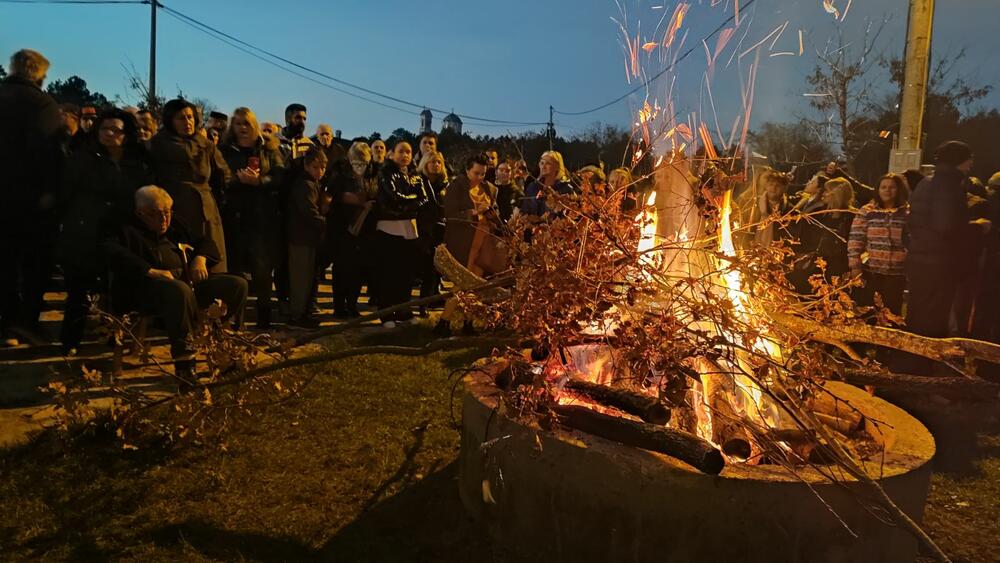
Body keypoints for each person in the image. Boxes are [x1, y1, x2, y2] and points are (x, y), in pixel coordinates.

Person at [103, 186, 247, 382]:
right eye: (156, 214)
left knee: (236, 284)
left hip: (185, 282)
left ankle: (220, 348)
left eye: (167, 213)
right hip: (145, 289)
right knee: (179, 291)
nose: (164, 219)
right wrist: (150, 271)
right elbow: (110, 251)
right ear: (140, 213)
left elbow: (204, 242)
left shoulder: (175, 225)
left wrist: (201, 258)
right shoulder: (124, 228)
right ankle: (185, 365)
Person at [58, 108, 152, 354]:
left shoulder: (136, 162)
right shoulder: (83, 158)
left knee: (116, 290)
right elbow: (66, 191)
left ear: (126, 134)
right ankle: (70, 343)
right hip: (85, 229)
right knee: (79, 290)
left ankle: (115, 339)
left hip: (120, 232)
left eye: (116, 130)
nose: (110, 134)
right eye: (105, 129)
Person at [901, 141, 990, 374]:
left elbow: (916, 223)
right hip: (939, 264)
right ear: (959, 159)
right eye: (969, 157)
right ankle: (921, 372)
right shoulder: (949, 185)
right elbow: (945, 225)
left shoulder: (927, 182)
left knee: (917, 316)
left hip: (922, 260)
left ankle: (908, 367)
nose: (972, 162)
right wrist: (978, 227)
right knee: (931, 321)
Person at [0, 49, 62, 346]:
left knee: (4, 262)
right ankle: (25, 324)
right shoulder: (42, 104)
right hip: (31, 200)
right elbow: (48, 153)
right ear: (37, 72)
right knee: (35, 263)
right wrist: (51, 192)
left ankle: (6, 320)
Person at [219, 106, 286, 329]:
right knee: (235, 270)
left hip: (262, 218)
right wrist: (239, 181)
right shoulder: (225, 150)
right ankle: (233, 319)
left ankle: (264, 318)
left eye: (246, 123)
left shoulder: (269, 149)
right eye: (238, 123)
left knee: (262, 269)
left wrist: (259, 182)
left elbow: (280, 176)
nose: (242, 128)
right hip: (234, 217)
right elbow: (220, 177)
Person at [148, 98, 231, 273]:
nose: (187, 122)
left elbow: (222, 174)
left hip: (205, 210)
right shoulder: (157, 145)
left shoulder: (206, 145)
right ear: (170, 120)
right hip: (174, 208)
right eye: (181, 118)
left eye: (190, 117)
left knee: (210, 259)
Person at [374, 141, 429, 327]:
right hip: (390, 227)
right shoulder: (385, 173)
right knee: (389, 273)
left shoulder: (415, 175)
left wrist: (407, 206)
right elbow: (393, 197)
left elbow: (424, 199)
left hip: (409, 229)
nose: (405, 155)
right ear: (391, 154)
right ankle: (386, 313)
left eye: (408, 152)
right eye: (401, 151)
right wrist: (411, 204)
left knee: (406, 274)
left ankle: (404, 310)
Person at [327, 142, 377, 317]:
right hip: (343, 227)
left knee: (358, 270)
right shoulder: (341, 175)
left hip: (364, 229)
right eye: (356, 163)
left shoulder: (371, 176)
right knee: (342, 269)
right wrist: (350, 199)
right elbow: (332, 195)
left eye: (363, 164)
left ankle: (352, 304)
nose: (359, 168)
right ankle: (339, 306)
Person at [847, 173, 909, 316]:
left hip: (897, 273)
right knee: (869, 311)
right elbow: (855, 240)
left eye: (892, 187)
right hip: (872, 271)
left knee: (891, 313)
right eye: (883, 187)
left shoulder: (906, 213)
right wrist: (855, 266)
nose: (887, 190)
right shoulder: (867, 211)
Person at [285, 147, 329, 328]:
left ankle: (303, 313)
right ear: (306, 166)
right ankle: (296, 316)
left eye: (323, 168)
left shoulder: (313, 183)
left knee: (307, 278)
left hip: (308, 238)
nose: (320, 172)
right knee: (300, 279)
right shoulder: (304, 185)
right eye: (316, 167)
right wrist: (325, 222)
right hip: (301, 238)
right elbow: (309, 212)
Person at [791, 177, 855, 293]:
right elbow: (805, 233)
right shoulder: (820, 213)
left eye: (827, 191)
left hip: (837, 267)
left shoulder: (851, 217)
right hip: (817, 264)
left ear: (836, 194)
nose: (823, 194)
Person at [444, 153, 498, 272]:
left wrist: (491, 213)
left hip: (484, 241)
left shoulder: (489, 188)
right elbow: (450, 215)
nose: (479, 177)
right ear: (467, 170)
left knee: (479, 275)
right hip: (464, 241)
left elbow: (496, 211)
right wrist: (474, 212)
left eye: (483, 174)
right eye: (476, 173)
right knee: (463, 275)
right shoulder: (456, 187)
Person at [416, 150, 448, 308]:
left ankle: (431, 299)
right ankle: (423, 303)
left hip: (440, 230)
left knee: (436, 269)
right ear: (425, 164)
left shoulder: (444, 184)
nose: (436, 165)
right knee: (425, 268)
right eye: (432, 162)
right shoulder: (419, 181)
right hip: (423, 229)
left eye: (439, 162)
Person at [746, 168, 793, 249]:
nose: (773, 188)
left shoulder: (789, 211)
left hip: (774, 254)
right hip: (750, 249)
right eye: (771, 184)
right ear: (766, 186)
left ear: (784, 189)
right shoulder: (753, 204)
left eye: (777, 186)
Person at [519, 150, 575, 217]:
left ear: (557, 167)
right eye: (542, 163)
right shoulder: (532, 187)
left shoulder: (565, 189)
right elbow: (524, 211)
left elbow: (570, 216)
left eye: (548, 163)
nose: (544, 166)